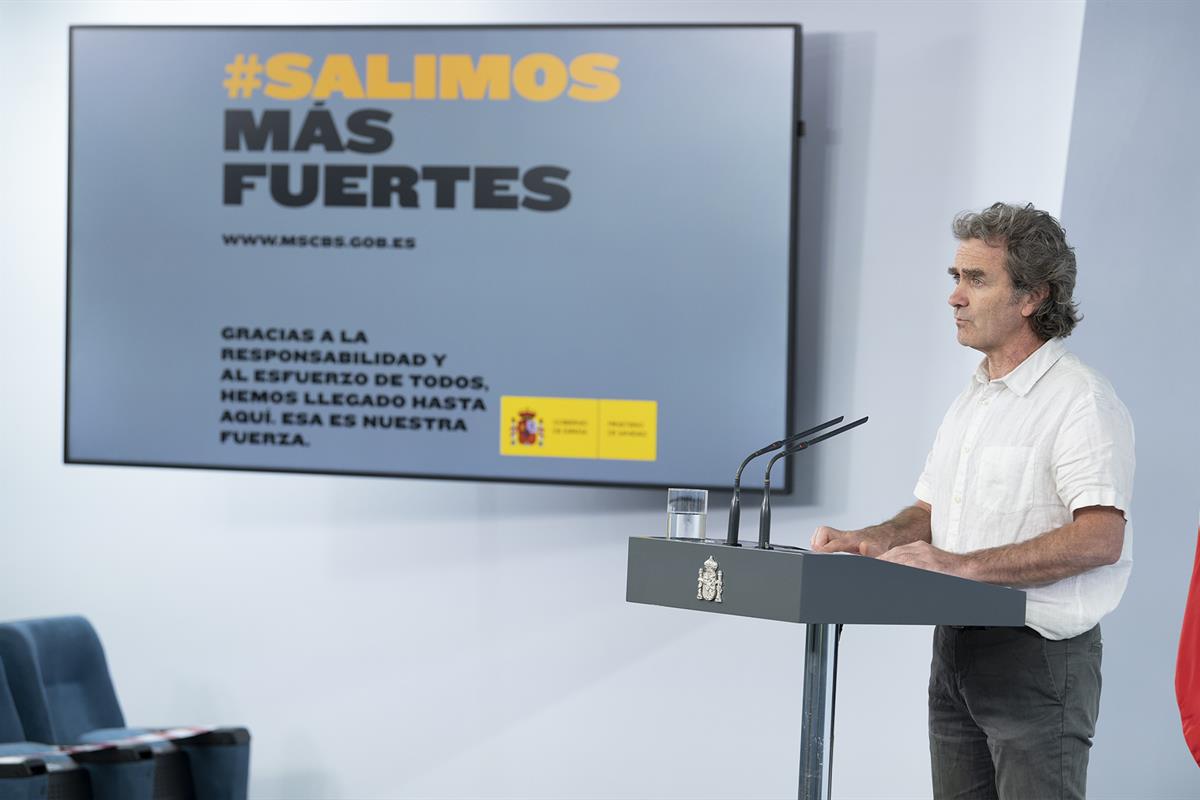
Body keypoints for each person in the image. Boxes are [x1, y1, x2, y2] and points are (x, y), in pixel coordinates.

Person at [812, 202, 1134, 800]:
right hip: (956, 651)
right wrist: (876, 538)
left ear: (1032, 297)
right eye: (955, 279)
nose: (955, 297)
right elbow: (931, 512)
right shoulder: (976, 397)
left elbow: (1099, 537)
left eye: (976, 279)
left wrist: (961, 569)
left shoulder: (1079, 400)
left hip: (1036, 660)